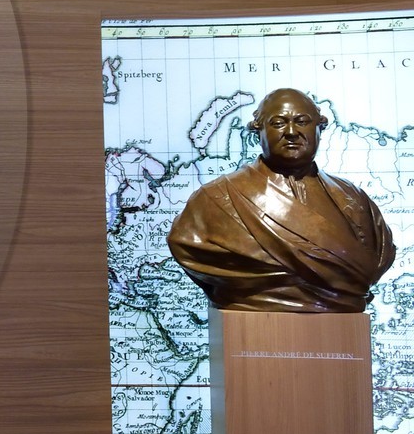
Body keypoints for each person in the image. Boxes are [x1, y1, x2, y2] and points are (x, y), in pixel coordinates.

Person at [167, 87, 395, 313]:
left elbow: (375, 260)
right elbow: (188, 246)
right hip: (254, 317)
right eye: (278, 123)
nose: (292, 132)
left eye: (302, 121)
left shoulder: (354, 197)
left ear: (320, 129)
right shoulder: (215, 198)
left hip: (342, 324)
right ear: (258, 132)